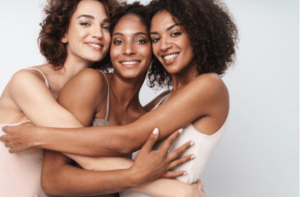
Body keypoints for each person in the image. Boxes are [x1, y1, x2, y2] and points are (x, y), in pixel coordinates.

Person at [2, 0, 237, 195]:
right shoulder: (92, 84)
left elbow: (126, 142)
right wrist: (174, 188)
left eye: (143, 40)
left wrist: (37, 135)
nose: (128, 50)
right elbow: (73, 169)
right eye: (118, 40)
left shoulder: (185, 96)